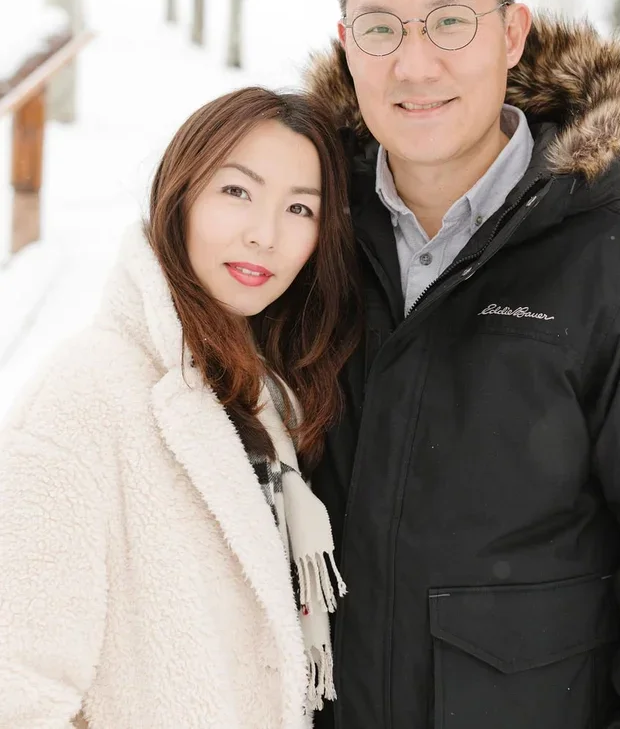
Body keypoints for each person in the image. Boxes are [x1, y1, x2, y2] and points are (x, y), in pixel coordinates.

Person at [305, 0, 620, 729]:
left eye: (449, 21)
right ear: (347, 47)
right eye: (380, 28)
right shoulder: (301, 245)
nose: (415, 62)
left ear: (512, 34)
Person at [0, 87, 360, 729]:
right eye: (238, 192)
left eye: (300, 207)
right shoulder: (86, 395)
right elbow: (17, 690)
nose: (265, 234)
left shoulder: (269, 405)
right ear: (181, 194)